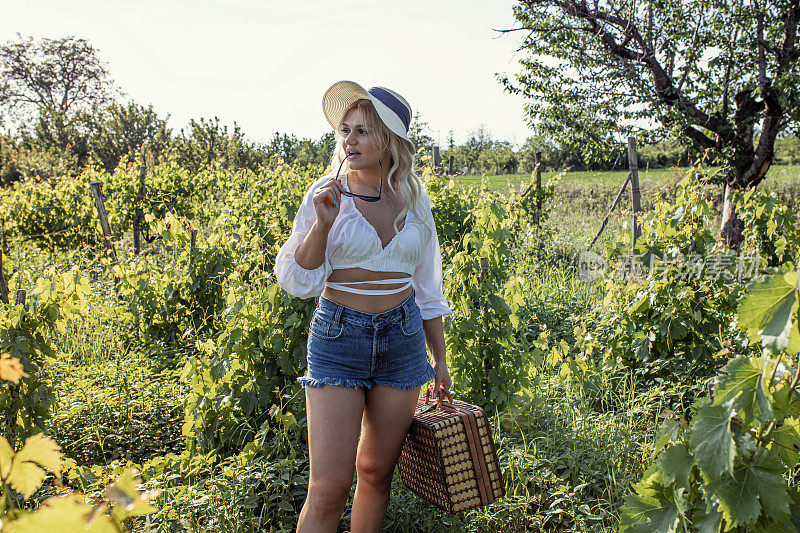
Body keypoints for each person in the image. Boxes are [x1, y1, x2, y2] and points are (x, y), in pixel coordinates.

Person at [274, 81, 452, 532]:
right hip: (340, 335)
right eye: (345, 131)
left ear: (389, 141)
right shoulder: (328, 192)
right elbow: (300, 278)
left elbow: (427, 288)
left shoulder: (414, 197)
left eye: (363, 132)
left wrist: (440, 361)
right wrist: (323, 224)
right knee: (328, 489)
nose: (349, 141)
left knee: (376, 474)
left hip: (403, 338)